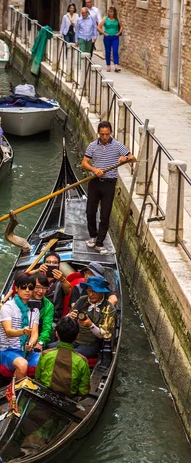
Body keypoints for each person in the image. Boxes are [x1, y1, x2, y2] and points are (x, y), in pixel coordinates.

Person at [81, 121, 136, 254]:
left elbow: (133, 158)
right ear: (98, 133)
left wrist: (125, 159)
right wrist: (95, 169)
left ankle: (100, 243)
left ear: (110, 133)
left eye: (107, 134)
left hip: (109, 183)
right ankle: (93, 236)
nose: (105, 137)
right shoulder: (92, 146)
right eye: (102, 134)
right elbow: (84, 163)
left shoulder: (117, 145)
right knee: (90, 212)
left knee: (105, 214)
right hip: (94, 182)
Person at [0, 273, 40, 380]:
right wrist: (23, 331)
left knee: (48, 361)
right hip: (8, 350)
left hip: (27, 351)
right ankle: (15, 394)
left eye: (30, 288)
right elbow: (8, 331)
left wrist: (31, 343)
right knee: (22, 365)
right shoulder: (8, 307)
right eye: (23, 287)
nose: (27, 290)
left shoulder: (34, 309)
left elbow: (35, 333)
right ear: (16, 288)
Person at [35, 317, 90, 397]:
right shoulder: (82, 361)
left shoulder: (45, 354)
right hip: (69, 400)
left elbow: (38, 379)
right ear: (77, 336)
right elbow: (83, 391)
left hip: (45, 397)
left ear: (56, 334)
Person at [68, 276, 116, 358]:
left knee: (71, 355)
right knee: (50, 348)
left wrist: (90, 325)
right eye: (89, 291)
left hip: (92, 344)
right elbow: (68, 319)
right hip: (73, 339)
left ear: (101, 292)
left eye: (94, 292)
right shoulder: (82, 300)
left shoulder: (110, 308)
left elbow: (104, 335)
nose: (90, 295)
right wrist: (69, 316)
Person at [36, 252, 71, 323]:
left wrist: (62, 279)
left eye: (54, 263)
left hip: (53, 319)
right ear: (43, 264)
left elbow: (68, 290)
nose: (51, 265)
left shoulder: (61, 280)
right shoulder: (36, 278)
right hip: (35, 315)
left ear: (59, 265)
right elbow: (23, 277)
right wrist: (37, 270)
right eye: (48, 262)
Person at [31, 274, 55, 351]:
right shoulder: (23, 300)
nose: (41, 291)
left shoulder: (48, 306)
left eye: (44, 288)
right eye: (37, 287)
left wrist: (40, 342)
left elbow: (47, 327)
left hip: (38, 337)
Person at [97, 6, 123, 73]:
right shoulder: (105, 19)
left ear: (114, 12)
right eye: (109, 12)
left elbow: (122, 27)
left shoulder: (117, 19)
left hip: (115, 37)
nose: (110, 13)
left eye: (111, 12)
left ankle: (116, 65)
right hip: (107, 37)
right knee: (108, 51)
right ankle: (108, 65)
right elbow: (98, 27)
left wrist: (119, 32)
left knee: (115, 51)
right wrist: (103, 33)